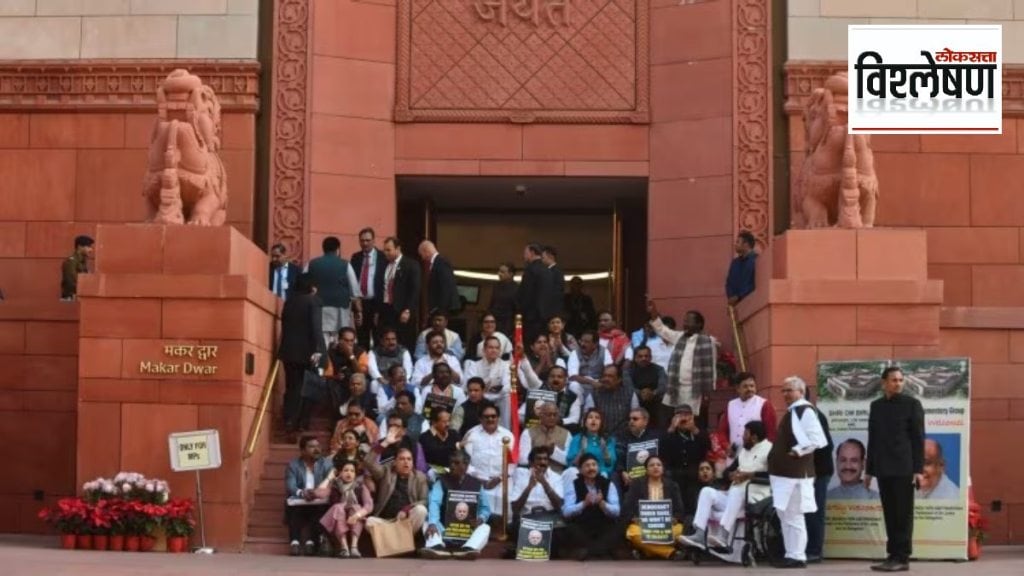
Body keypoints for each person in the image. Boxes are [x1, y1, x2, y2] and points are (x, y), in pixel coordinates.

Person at [866, 367, 925, 572]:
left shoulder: (912, 404)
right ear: (884, 383)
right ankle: (892, 555)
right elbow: (872, 439)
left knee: (903, 514)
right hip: (883, 468)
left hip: (904, 468)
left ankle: (903, 557)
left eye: (901, 380)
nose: (898, 383)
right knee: (890, 514)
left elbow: (918, 439)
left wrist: (918, 469)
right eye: (893, 380)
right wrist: (869, 470)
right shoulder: (876, 406)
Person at [767, 376, 828, 568]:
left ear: (801, 392)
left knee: (793, 515)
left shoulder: (805, 411)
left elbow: (818, 439)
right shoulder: (794, 411)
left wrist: (797, 451)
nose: (785, 394)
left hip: (795, 474)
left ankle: (797, 555)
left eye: (789, 390)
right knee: (786, 514)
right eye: (783, 390)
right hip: (785, 474)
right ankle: (792, 553)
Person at [681, 421, 772, 550]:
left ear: (754, 437)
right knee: (707, 491)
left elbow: (774, 475)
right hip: (734, 497)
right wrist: (731, 475)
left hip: (755, 497)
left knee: (737, 492)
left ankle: (723, 536)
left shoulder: (769, 449)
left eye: (745, 434)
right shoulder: (744, 451)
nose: (742, 437)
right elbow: (726, 473)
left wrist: (749, 475)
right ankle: (699, 534)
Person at [646, 300, 717, 427]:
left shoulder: (708, 341)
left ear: (699, 324)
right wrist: (653, 313)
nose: (685, 324)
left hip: (695, 391)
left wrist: (708, 392)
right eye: (684, 321)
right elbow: (661, 329)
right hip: (675, 387)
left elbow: (711, 368)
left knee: (692, 422)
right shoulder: (679, 337)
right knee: (674, 420)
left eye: (689, 321)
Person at [420, 450, 492, 559]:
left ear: (466, 465)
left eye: (457, 463)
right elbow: (435, 503)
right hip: (444, 530)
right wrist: (433, 523)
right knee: (427, 521)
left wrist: (480, 519)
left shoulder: (476, 484)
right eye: (451, 463)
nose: (452, 466)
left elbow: (485, 508)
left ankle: (468, 549)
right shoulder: (441, 481)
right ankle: (436, 547)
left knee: (485, 527)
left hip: (467, 532)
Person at [278, 273, 325, 434]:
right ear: (312, 287)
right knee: (309, 388)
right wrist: (319, 350)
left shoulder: (289, 302)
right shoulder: (314, 301)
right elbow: (316, 327)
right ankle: (300, 422)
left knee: (292, 387)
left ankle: (288, 420)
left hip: (288, 352)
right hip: (307, 352)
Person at [505, 445, 565, 559]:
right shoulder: (522, 476)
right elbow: (515, 508)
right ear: (531, 462)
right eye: (539, 459)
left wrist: (545, 484)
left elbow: (559, 505)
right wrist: (529, 487)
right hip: (527, 518)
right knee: (514, 527)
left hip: (549, 518)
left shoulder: (556, 477)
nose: (542, 462)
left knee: (561, 531)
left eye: (545, 459)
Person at [622, 455, 686, 560]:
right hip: (643, 527)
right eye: (651, 465)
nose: (655, 467)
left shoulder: (672, 485)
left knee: (681, 530)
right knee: (633, 532)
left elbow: (680, 510)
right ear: (646, 469)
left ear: (663, 468)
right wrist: (634, 519)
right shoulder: (637, 484)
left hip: (666, 527)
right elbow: (627, 507)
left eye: (658, 465)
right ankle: (670, 552)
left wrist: (674, 519)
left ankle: (647, 551)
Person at [562, 453, 621, 561]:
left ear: (598, 467)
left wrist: (603, 504)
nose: (591, 468)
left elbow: (616, 511)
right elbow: (566, 511)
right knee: (569, 528)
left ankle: (589, 551)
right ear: (580, 469)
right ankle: (601, 551)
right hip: (583, 527)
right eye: (587, 465)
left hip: (604, 526)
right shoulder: (573, 484)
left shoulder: (608, 484)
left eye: (594, 465)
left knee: (617, 528)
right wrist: (584, 504)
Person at [461, 403, 515, 520]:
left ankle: (502, 528)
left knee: (508, 500)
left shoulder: (508, 435)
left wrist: (500, 478)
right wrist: (481, 479)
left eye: (493, 416)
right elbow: (464, 462)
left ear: (498, 418)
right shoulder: (471, 434)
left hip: (502, 480)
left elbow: (512, 463)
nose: (490, 419)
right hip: (476, 478)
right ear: (480, 418)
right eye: (486, 416)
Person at [306, 236, 362, 346]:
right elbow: (354, 291)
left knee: (321, 340)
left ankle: (324, 361)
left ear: (323, 249)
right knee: (339, 339)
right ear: (338, 249)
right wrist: (359, 311)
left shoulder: (311, 264)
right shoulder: (345, 265)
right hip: (340, 310)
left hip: (318, 309)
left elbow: (302, 284)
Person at [363, 443, 430, 535]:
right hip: (385, 521)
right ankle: (398, 539)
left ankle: (397, 538)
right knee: (369, 522)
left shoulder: (420, 477)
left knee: (421, 510)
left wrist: (406, 509)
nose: (406, 462)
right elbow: (368, 462)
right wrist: (384, 443)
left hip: (406, 521)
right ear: (394, 462)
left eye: (409, 459)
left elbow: (424, 500)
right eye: (402, 459)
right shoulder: (386, 472)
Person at [285, 436, 332, 556]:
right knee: (294, 508)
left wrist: (316, 493)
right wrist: (302, 493)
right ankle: (295, 542)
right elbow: (291, 485)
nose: (316, 449)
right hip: (300, 499)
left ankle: (311, 542)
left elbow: (330, 483)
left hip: (319, 499)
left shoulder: (326, 464)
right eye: (311, 447)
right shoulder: (293, 465)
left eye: (318, 446)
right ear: (302, 450)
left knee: (319, 510)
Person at [661, 404, 711, 514]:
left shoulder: (698, 431)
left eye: (686, 415)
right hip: (674, 473)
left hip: (694, 473)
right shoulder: (668, 433)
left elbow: (708, 446)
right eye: (679, 415)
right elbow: (661, 450)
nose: (683, 418)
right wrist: (672, 428)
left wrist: (693, 429)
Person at [319, 459, 373, 558]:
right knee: (338, 508)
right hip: (337, 517)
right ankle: (344, 547)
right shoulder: (334, 485)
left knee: (356, 507)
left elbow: (369, 505)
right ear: (340, 473)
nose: (349, 473)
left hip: (353, 517)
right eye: (346, 470)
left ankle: (354, 547)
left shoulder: (360, 486)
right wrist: (329, 478)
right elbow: (320, 493)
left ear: (355, 474)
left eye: (352, 471)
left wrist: (357, 515)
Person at [717, 372, 778, 453]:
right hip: (733, 454)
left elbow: (771, 433)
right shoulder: (731, 405)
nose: (749, 389)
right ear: (738, 388)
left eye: (752, 386)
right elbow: (722, 430)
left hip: (755, 456)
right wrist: (726, 446)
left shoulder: (764, 404)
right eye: (745, 386)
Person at [806, 394, 834, 564]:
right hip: (806, 473)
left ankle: (814, 551)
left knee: (815, 512)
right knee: (807, 512)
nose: (785, 395)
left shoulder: (813, 415)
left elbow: (825, 446)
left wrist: (815, 471)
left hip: (818, 472)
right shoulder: (799, 414)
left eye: (789, 392)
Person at [380, 237, 421, 350]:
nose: (386, 253)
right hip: (386, 309)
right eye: (384, 250)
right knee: (387, 340)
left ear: (398, 249)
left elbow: (415, 289)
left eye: (389, 250)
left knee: (404, 341)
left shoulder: (410, 264)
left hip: (402, 311)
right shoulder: (384, 265)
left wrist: (407, 309)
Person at [518, 363, 584, 432]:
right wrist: (533, 420)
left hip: (559, 433)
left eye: (559, 377)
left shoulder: (573, 397)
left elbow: (574, 419)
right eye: (552, 376)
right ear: (547, 379)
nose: (555, 379)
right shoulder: (538, 391)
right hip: (535, 431)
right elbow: (520, 415)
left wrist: (559, 421)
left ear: (565, 380)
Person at [463, 336, 511, 428]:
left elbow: (507, 386)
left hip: (498, 397)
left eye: (497, 348)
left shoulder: (505, 365)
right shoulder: (474, 365)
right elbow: (469, 385)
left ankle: (506, 429)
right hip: (480, 397)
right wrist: (484, 392)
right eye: (491, 347)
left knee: (507, 397)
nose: (494, 350)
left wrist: (492, 392)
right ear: (484, 349)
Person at [351, 228, 387, 349]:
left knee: (378, 336)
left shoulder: (383, 257)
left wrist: (380, 307)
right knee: (362, 337)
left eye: (368, 240)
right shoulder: (355, 257)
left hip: (377, 303)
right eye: (362, 240)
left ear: (374, 241)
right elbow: (353, 281)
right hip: (360, 303)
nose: (365, 243)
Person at [584, 365, 639, 437]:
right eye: (604, 376)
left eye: (610, 376)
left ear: (619, 379)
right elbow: (588, 420)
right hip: (600, 439)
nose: (606, 379)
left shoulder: (630, 394)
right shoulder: (594, 395)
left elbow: (636, 418)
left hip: (624, 438)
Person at [615, 408, 661, 492]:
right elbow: (619, 458)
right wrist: (622, 472)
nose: (631, 422)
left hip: (652, 478)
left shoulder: (655, 436)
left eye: (635, 419)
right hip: (630, 481)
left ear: (645, 422)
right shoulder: (623, 437)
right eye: (630, 419)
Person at [518, 401, 572, 473]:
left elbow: (569, 461)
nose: (552, 417)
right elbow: (522, 460)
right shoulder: (528, 432)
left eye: (555, 415)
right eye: (549, 415)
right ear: (540, 415)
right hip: (533, 475)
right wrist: (541, 452)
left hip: (558, 477)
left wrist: (553, 452)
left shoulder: (566, 434)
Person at [624, 345, 667, 429]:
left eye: (646, 356)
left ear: (650, 357)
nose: (643, 358)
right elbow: (628, 388)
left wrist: (652, 393)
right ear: (635, 358)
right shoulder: (628, 371)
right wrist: (641, 394)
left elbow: (663, 386)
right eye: (640, 356)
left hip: (656, 402)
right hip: (636, 403)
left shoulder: (659, 369)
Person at [566, 408, 617, 478]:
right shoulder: (577, 438)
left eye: (597, 418)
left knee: (604, 475)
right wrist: (582, 451)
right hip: (580, 475)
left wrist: (604, 450)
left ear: (601, 423)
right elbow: (571, 464)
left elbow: (610, 464)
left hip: (600, 475)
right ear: (585, 423)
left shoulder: (608, 440)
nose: (593, 420)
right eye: (590, 417)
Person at [516, 243, 551, 343]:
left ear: (532, 252)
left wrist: (520, 310)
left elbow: (526, 295)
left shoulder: (530, 270)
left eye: (525, 253)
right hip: (545, 318)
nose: (524, 256)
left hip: (531, 317)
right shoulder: (548, 270)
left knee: (530, 345)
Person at [418, 240, 460, 318]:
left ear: (426, 251)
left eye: (421, 255)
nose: (422, 258)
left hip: (444, 309)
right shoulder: (436, 263)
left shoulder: (441, 262)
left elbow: (445, 287)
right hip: (439, 309)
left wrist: (440, 310)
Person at [567, 330, 613, 399]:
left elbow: (610, 370)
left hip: (599, 382)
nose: (582, 344)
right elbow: (573, 376)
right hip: (581, 383)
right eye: (581, 341)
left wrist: (600, 382)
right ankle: (579, 406)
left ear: (595, 344)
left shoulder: (604, 352)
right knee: (574, 385)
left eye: (586, 342)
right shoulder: (575, 352)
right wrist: (591, 382)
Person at [367, 327, 413, 393]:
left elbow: (408, 370)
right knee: (374, 384)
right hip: (383, 381)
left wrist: (400, 381)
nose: (391, 342)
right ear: (382, 341)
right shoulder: (373, 352)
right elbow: (372, 369)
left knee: (408, 383)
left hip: (400, 381)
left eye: (393, 339)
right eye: (387, 339)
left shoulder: (403, 351)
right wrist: (383, 380)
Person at [419, 408, 461, 477]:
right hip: (433, 474)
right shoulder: (424, 437)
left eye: (448, 421)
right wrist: (456, 446)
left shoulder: (454, 434)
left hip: (454, 471)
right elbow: (437, 454)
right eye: (444, 422)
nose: (448, 424)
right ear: (434, 422)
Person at [725, 231, 758, 306]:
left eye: (738, 242)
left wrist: (739, 296)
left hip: (750, 303)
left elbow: (754, 283)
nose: (735, 244)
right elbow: (729, 283)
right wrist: (731, 297)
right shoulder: (735, 263)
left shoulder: (757, 260)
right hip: (736, 305)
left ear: (746, 244)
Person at [489, 262, 518, 337]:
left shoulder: (517, 289)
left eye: (502, 272)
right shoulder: (496, 286)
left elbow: (517, 310)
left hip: (507, 324)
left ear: (510, 274)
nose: (499, 274)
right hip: (494, 321)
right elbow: (492, 304)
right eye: (499, 271)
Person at [61, 234, 94, 300]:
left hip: (79, 296)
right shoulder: (71, 261)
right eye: (88, 247)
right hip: (71, 298)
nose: (91, 250)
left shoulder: (82, 261)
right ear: (79, 246)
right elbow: (71, 282)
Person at [541, 245, 564, 319]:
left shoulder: (556, 272)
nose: (541, 260)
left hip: (551, 311)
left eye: (543, 257)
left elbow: (556, 293)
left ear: (550, 256)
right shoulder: (547, 271)